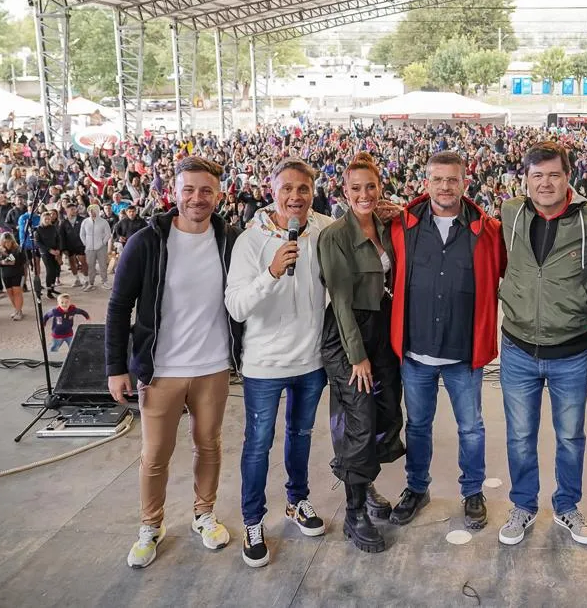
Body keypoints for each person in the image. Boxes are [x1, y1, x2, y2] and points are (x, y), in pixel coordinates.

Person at [105, 156, 243, 570]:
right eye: (189, 189)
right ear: (174, 192)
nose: (197, 198)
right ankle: (151, 526)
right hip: (161, 368)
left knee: (209, 444)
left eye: (206, 191)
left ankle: (204, 514)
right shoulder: (146, 242)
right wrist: (116, 367)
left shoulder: (230, 240)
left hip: (213, 365)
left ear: (219, 195)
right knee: (155, 453)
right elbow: (118, 306)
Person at [388, 151, 506, 530]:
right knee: (418, 425)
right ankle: (416, 488)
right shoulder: (402, 226)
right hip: (415, 351)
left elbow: (506, 271)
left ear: (464, 183)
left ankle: (472, 492)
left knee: (471, 427)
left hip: (462, 352)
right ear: (425, 182)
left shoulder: (487, 231)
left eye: (452, 179)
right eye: (437, 179)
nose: (444, 186)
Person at [496, 141, 587, 546]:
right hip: (518, 347)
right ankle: (523, 505)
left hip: (571, 351)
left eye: (554, 174)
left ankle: (566, 507)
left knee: (570, 436)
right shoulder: (510, 213)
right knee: (520, 435)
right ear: (525, 179)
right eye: (537, 175)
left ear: (568, 177)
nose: (545, 183)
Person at [224, 159, 332, 568]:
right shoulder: (250, 242)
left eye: (303, 189)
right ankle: (253, 520)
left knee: (301, 436)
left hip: (311, 360)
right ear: (272, 190)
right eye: (287, 188)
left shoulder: (324, 230)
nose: (295, 197)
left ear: (313, 191)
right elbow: (236, 307)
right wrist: (271, 272)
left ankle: (297, 501)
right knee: (257, 445)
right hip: (264, 366)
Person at [318, 155, 405, 554]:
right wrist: (356, 356)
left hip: (382, 330)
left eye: (370, 186)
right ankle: (354, 514)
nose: (364, 194)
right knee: (359, 417)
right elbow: (339, 299)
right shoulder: (334, 235)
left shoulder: (388, 226)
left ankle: (364, 480)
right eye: (355, 188)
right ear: (344, 192)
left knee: (388, 412)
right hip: (348, 333)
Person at [80, 204, 112, 291]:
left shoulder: (103, 222)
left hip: (101, 247)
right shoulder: (85, 222)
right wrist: (86, 243)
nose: (92, 212)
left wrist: (103, 242)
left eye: (94, 210)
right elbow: (82, 234)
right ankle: (91, 283)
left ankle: (104, 282)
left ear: (97, 211)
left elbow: (108, 234)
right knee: (90, 266)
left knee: (103, 266)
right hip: (89, 248)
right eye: (90, 211)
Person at [0, 232, 27, 320]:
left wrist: (7, 256)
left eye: (9, 241)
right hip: (5, 274)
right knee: (10, 293)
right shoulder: (0, 250)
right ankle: (17, 310)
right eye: (5, 242)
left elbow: (20, 260)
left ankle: (19, 311)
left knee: (17, 293)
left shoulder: (18, 249)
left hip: (17, 273)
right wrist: (2, 262)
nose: (7, 244)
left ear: (12, 241)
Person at [35, 208, 63, 299]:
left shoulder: (53, 227)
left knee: (55, 270)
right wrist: (49, 250)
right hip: (45, 253)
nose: (47, 220)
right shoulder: (38, 229)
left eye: (49, 219)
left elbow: (58, 239)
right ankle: (48, 290)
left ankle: (52, 287)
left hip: (55, 251)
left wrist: (58, 249)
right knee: (50, 271)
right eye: (45, 219)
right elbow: (38, 242)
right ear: (42, 219)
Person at [60, 203, 87, 287]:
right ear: (66, 211)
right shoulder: (63, 222)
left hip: (81, 244)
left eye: (75, 209)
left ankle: (86, 279)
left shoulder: (83, 220)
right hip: (69, 246)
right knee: (72, 262)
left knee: (83, 262)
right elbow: (61, 236)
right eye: (72, 209)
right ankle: (77, 279)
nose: (74, 211)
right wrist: (63, 248)